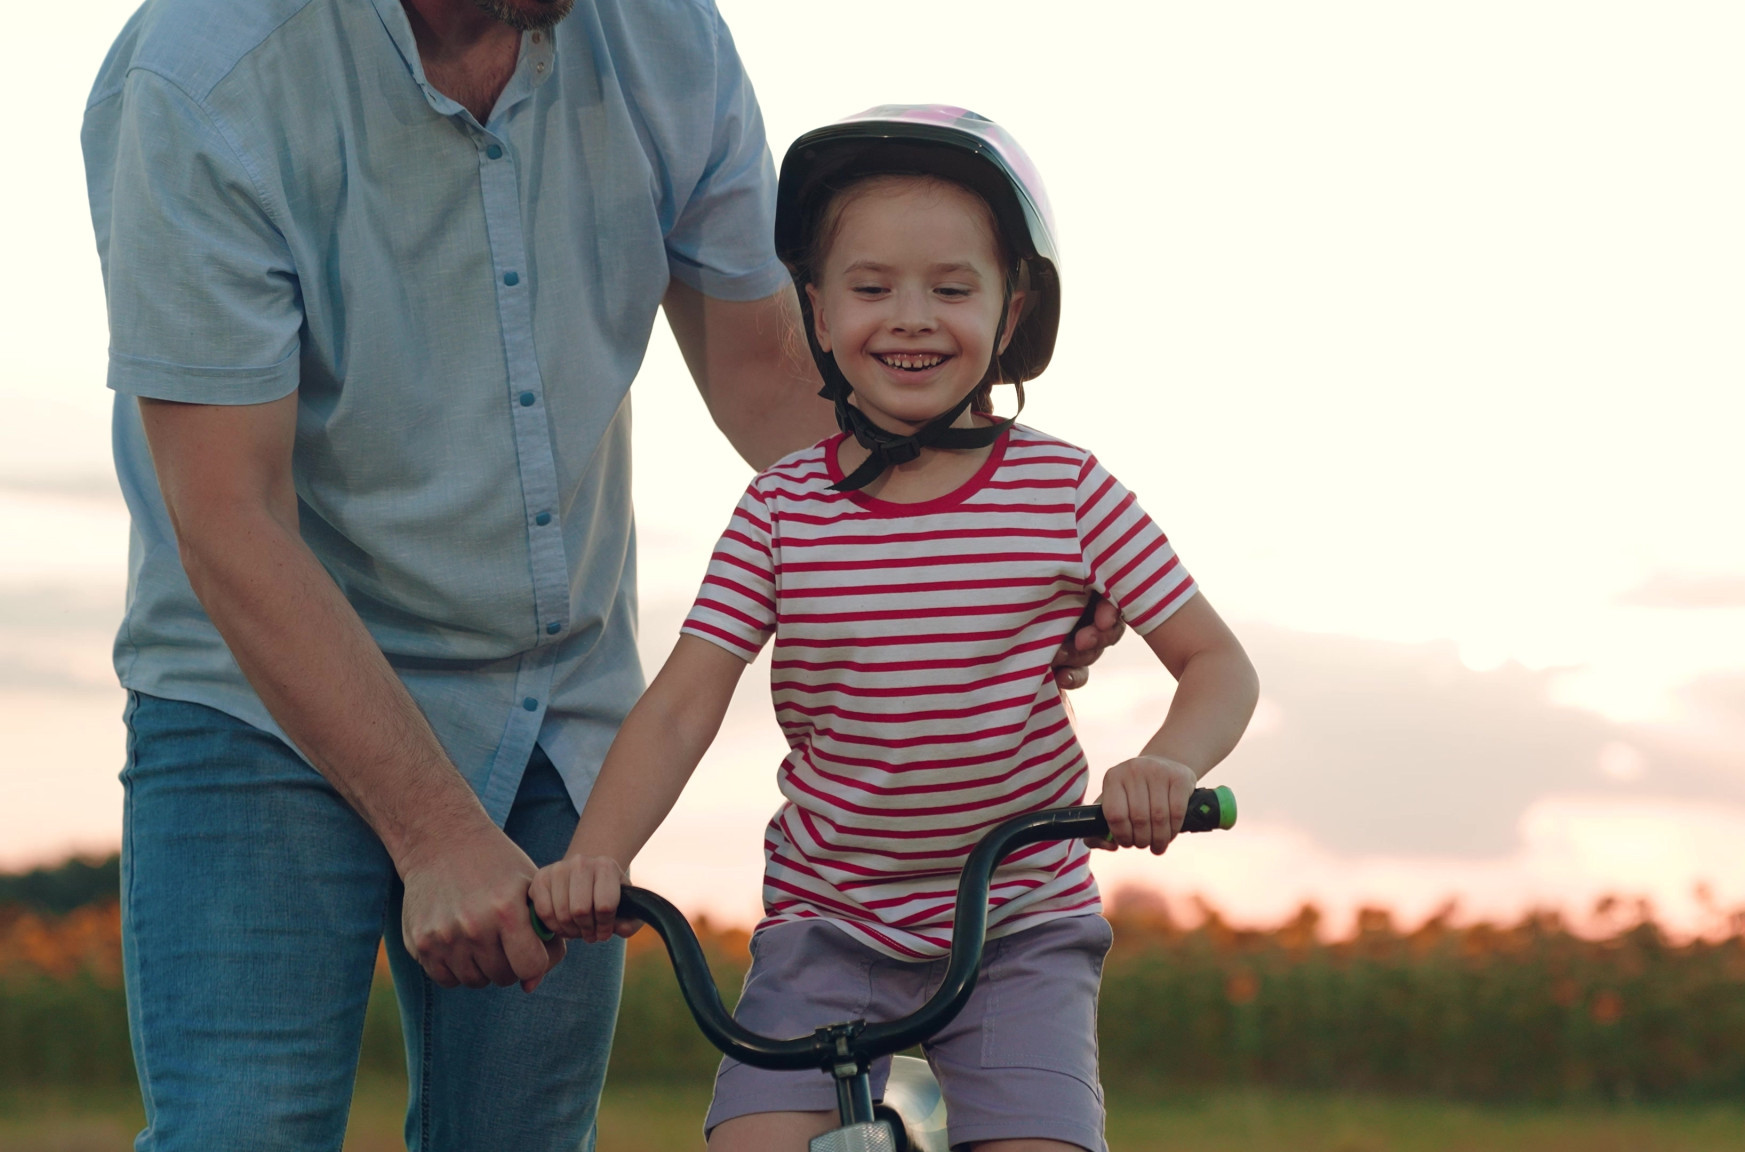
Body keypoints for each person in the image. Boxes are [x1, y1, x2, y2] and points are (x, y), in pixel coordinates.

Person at [81, 2, 1121, 1147]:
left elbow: (766, 377)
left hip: (551, 706)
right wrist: (435, 833)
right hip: (259, 704)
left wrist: (977, 551)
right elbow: (228, 518)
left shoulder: (663, 33)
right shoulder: (206, 72)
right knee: (245, 1133)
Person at [530, 106, 1261, 1152]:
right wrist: (596, 854)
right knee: (752, 1144)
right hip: (826, 923)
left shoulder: (1066, 491)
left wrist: (1166, 762)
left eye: (952, 289)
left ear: (1011, 313)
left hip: (1016, 921)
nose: (910, 318)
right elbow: (683, 704)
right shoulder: (781, 509)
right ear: (817, 314)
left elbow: (1216, 664)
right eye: (870, 288)